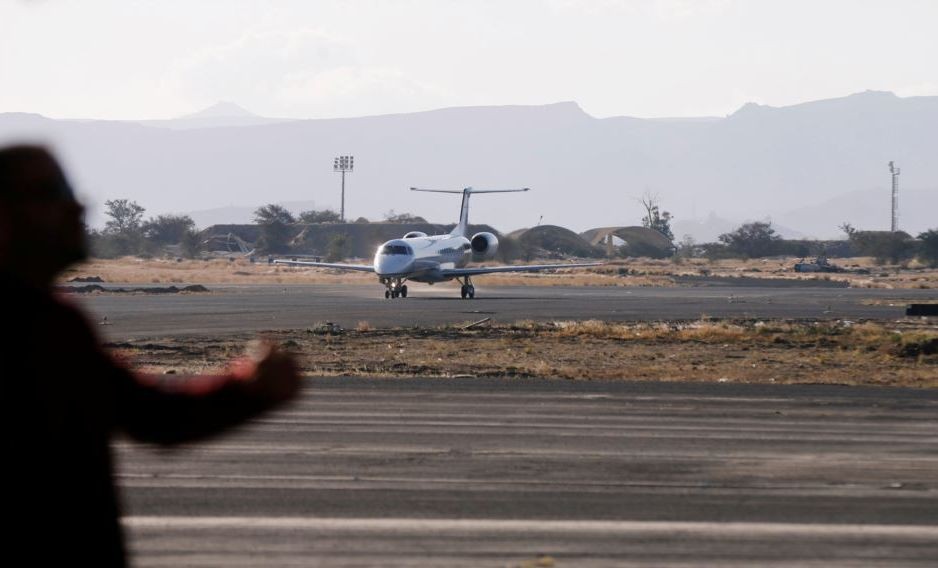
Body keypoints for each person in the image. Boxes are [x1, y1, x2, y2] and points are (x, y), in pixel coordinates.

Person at [1, 145, 301, 566]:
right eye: (52, 193)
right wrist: (251, 388)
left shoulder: (56, 322)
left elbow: (148, 414)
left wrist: (248, 389)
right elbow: (151, 417)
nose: (76, 207)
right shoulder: (44, 327)